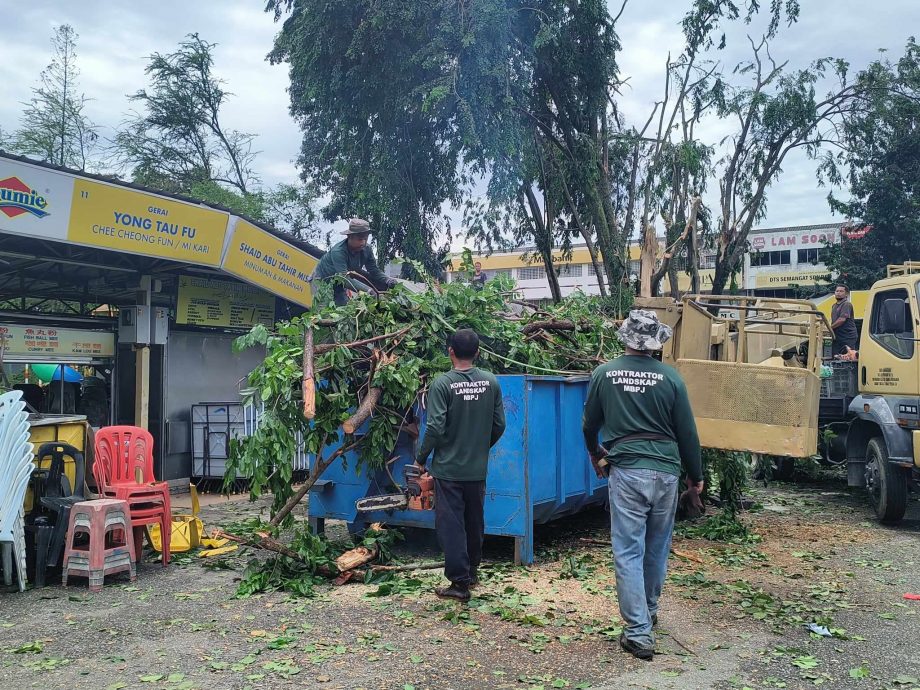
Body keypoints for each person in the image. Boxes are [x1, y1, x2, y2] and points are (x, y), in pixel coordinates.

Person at [582, 309, 703, 661]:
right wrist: (695, 475)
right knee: (656, 547)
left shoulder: (604, 373)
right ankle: (648, 612)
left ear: (625, 338)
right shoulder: (671, 378)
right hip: (666, 472)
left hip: (628, 471)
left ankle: (638, 632)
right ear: (655, 343)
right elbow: (687, 433)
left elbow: (589, 424)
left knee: (628, 550)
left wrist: (596, 452)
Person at [415, 329, 506, 602]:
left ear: (450, 351)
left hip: (449, 469)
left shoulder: (442, 384)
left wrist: (421, 458)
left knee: (451, 526)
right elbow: (499, 424)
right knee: (474, 521)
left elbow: (434, 427)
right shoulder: (491, 382)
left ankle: (459, 583)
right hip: (476, 469)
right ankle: (472, 571)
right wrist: (479, 448)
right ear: (477, 352)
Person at [311, 218, 397, 306]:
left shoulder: (367, 250)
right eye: (360, 239)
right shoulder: (338, 252)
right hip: (322, 281)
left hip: (339, 284)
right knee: (323, 308)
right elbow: (344, 279)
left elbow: (373, 270)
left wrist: (387, 280)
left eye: (365, 239)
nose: (363, 243)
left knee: (342, 307)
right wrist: (369, 291)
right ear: (349, 237)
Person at [830, 284, 858, 356]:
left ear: (846, 294)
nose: (838, 293)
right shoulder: (834, 306)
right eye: (837, 291)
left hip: (847, 336)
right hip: (837, 336)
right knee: (836, 357)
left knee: (848, 357)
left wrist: (829, 328)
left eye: (841, 291)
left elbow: (842, 320)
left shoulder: (846, 304)